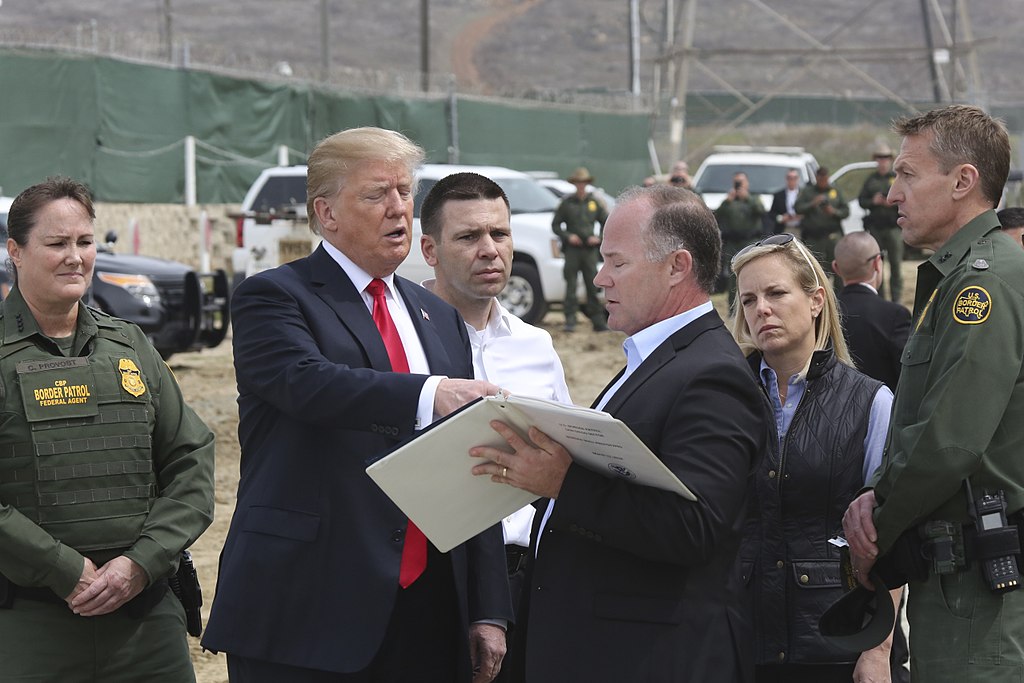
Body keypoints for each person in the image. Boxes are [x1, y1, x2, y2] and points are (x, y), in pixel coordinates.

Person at [201, 127, 513, 683]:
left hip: (429, 606)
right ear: (326, 213)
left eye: (404, 192)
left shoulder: (437, 315)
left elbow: (471, 464)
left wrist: (487, 607)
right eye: (377, 195)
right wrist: (428, 393)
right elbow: (308, 382)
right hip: (312, 607)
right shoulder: (275, 296)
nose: (398, 209)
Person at [471, 184, 769, 682]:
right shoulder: (655, 358)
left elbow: (696, 529)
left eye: (617, 262)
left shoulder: (711, 374)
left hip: (650, 656)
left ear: (677, 266)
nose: (599, 276)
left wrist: (562, 484)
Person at [0, 176, 216, 681]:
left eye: (84, 242)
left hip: (145, 623)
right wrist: (65, 569)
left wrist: (139, 563)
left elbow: (191, 459)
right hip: (28, 626)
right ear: (16, 251)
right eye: (56, 244)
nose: (75, 257)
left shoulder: (130, 345)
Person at [843, 105, 1024, 681]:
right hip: (956, 578)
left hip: (977, 590)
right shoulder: (963, 277)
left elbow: (949, 441)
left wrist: (877, 526)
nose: (892, 193)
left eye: (907, 175)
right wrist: (878, 493)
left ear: (963, 181)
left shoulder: (983, 285)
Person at [418, 171, 573, 682]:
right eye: (468, 237)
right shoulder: (398, 344)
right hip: (435, 577)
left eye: (499, 234)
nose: (490, 250)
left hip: (526, 577)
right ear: (430, 249)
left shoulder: (536, 346)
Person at [730, 232, 902, 683]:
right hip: (741, 640)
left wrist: (878, 650)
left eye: (776, 292)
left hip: (838, 641)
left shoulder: (870, 401)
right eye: (748, 300)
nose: (761, 309)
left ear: (816, 301)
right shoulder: (724, 399)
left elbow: (893, 531)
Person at [832, 231, 912, 391]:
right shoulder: (894, 315)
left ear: (836, 268)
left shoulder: (824, 312)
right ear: (877, 263)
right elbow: (908, 376)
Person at [551, 167, 609, 333]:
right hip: (572, 250)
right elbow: (555, 225)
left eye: (584, 183)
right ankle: (570, 319)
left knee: (593, 284)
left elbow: (606, 221)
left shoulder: (594, 202)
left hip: (589, 250)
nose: (581, 186)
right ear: (575, 184)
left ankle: (597, 321)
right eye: (578, 183)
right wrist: (568, 236)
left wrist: (599, 238)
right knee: (571, 284)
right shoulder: (567, 203)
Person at [858, 144, 904, 302]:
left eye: (885, 158)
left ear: (890, 160)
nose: (883, 161)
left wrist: (892, 202)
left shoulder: (898, 178)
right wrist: (873, 201)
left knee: (896, 266)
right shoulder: (871, 180)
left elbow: (907, 197)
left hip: (893, 228)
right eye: (880, 158)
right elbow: (861, 201)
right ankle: (881, 299)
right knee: (877, 266)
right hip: (876, 228)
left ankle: (896, 299)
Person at [715, 171, 765, 304]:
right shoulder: (729, 200)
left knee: (751, 271)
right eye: (736, 182)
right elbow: (716, 216)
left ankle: (752, 302)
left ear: (747, 183)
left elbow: (762, 211)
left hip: (749, 241)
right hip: (733, 242)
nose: (738, 185)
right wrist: (727, 202)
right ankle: (733, 307)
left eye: (741, 182)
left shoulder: (753, 198)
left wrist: (747, 198)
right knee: (733, 275)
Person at [795, 167, 849, 275]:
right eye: (820, 179)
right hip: (814, 237)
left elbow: (846, 211)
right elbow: (797, 208)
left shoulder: (836, 191)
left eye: (825, 179)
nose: (823, 182)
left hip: (832, 235)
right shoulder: (808, 191)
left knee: (837, 266)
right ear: (816, 177)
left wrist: (833, 211)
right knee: (815, 268)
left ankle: (839, 291)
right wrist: (812, 204)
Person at [768, 168, 802, 236]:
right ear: (786, 179)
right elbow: (772, 213)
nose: (792, 180)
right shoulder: (779, 195)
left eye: (794, 178)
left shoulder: (803, 194)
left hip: (800, 229)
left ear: (798, 179)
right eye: (789, 177)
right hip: (784, 229)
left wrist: (801, 216)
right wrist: (781, 218)